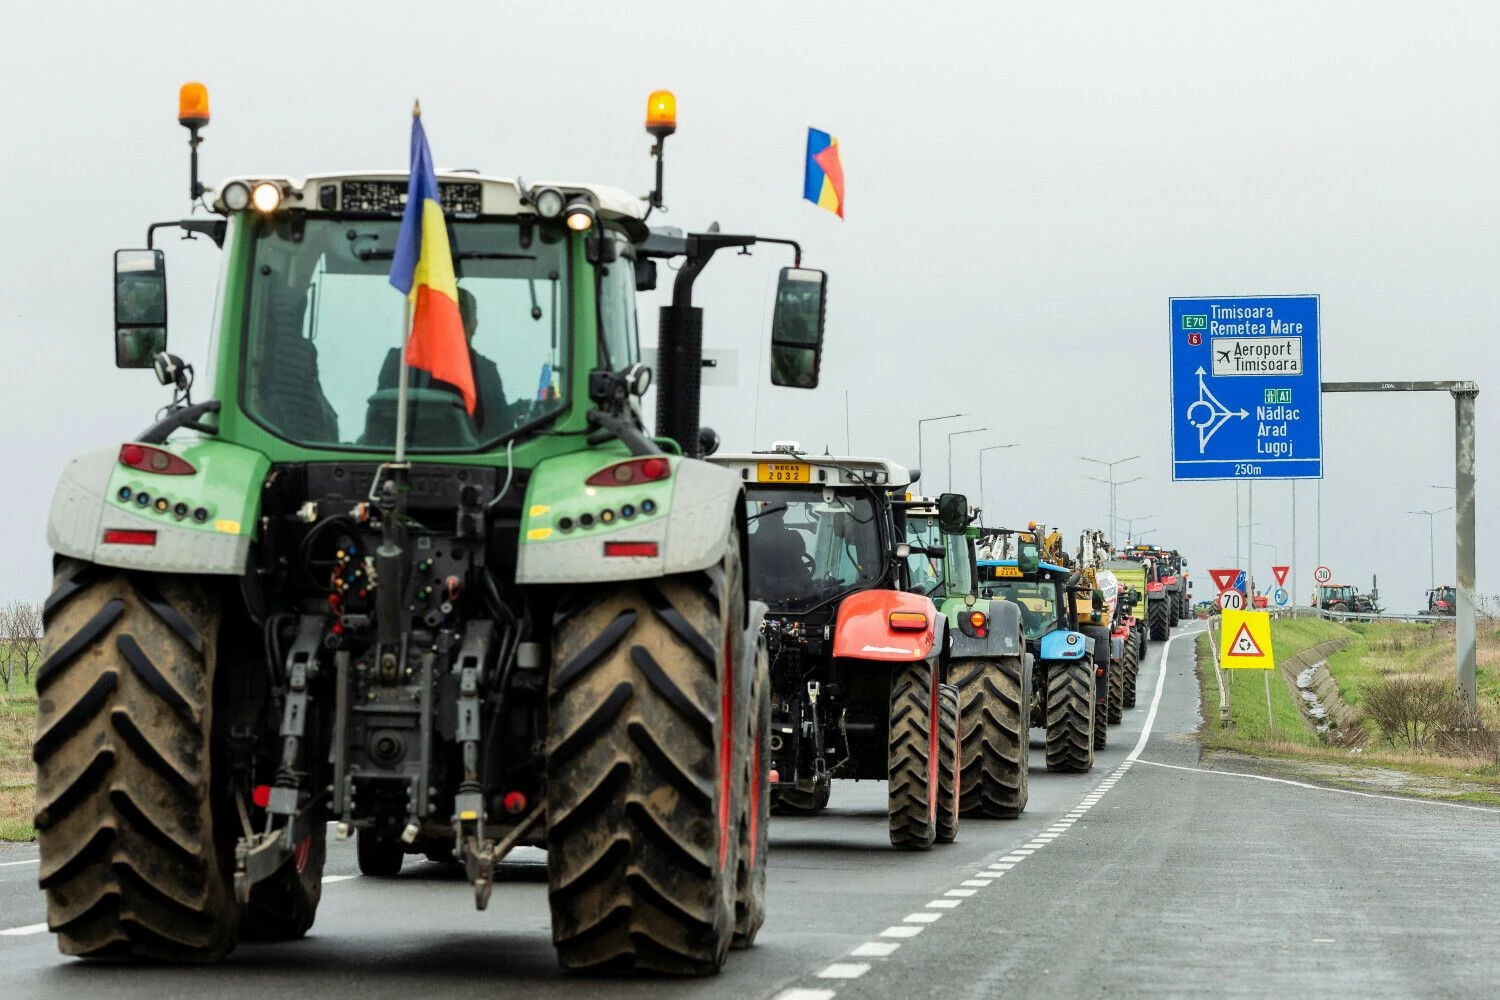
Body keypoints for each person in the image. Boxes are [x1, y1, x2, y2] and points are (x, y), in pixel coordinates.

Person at [377, 287, 508, 436]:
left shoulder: (399, 362)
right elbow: (502, 432)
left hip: (394, 457)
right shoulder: (485, 372)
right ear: (474, 325)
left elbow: (377, 424)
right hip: (471, 457)